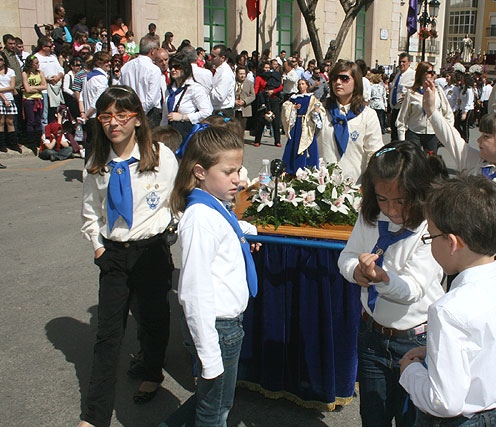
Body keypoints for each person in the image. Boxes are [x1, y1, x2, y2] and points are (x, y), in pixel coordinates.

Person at [79, 86, 178, 427]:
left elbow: (177, 199)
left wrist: (171, 230)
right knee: (108, 336)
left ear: (137, 119)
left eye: (122, 115)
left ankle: (152, 371)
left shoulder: (161, 156)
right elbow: (90, 213)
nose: (113, 123)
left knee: (153, 319)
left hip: (150, 251)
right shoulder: (96, 162)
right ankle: (94, 416)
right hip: (114, 255)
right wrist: (99, 248)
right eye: (106, 116)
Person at [399, 175, 496, 426]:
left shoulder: (447, 311)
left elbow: (444, 402)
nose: (429, 245)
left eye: (430, 238)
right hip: (492, 415)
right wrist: (432, 355)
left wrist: (410, 372)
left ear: (451, 243)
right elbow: (487, 354)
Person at [338, 141, 448, 427]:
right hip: (373, 337)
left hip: (416, 340)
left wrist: (382, 279)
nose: (391, 209)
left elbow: (413, 289)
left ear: (418, 191)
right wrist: (355, 272)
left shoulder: (430, 227)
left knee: (414, 419)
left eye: (400, 200)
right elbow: (347, 256)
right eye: (382, 199)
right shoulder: (372, 217)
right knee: (373, 417)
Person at [165, 126, 258, 426]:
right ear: (200, 171)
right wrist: (209, 353)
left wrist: (247, 232)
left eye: (239, 169)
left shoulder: (214, 205)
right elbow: (193, 292)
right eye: (229, 171)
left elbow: (228, 229)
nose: (238, 179)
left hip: (225, 326)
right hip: (216, 329)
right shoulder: (200, 218)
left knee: (211, 398)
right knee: (215, 410)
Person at [422, 77, 496, 281]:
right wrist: (432, 110)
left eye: (486, 137)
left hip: (493, 263)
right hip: (461, 255)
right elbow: (451, 138)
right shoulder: (475, 160)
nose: (479, 140)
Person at [317, 60, 384, 182]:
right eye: (334, 78)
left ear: (356, 82)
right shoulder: (321, 112)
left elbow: (374, 154)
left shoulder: (367, 115)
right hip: (323, 186)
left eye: (344, 78)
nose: (338, 82)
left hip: (355, 188)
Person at [396, 61, 453, 153]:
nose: (432, 75)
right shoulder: (411, 93)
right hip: (414, 132)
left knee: (430, 163)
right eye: (430, 72)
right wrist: (402, 139)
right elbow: (402, 118)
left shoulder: (438, 91)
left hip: (433, 133)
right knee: (415, 162)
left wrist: (445, 133)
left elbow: (448, 113)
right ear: (421, 74)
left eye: (433, 73)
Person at [162, 53, 212, 139]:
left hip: (186, 134)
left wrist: (183, 117)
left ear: (185, 68)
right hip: (170, 134)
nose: (173, 70)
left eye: (177, 66)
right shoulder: (170, 89)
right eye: (171, 67)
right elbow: (165, 116)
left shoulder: (194, 88)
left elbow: (207, 112)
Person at [120, 35, 163, 128]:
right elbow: (151, 98)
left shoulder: (126, 67)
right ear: (152, 50)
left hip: (130, 111)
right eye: (157, 49)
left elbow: (121, 90)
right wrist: (140, 112)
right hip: (149, 113)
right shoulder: (154, 69)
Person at [281, 78, 322, 173]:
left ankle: (308, 168)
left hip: (307, 124)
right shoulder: (294, 97)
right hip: (297, 124)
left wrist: (316, 111)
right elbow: (285, 106)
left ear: (307, 85)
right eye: (299, 84)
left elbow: (318, 108)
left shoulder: (311, 98)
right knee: (293, 144)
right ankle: (291, 168)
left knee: (308, 147)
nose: (301, 86)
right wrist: (293, 108)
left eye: (303, 84)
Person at [81, 51, 112, 160]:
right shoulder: (101, 78)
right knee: (99, 146)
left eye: (109, 61)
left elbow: (81, 97)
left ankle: (88, 170)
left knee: (90, 145)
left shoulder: (87, 76)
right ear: (98, 63)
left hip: (89, 117)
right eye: (105, 62)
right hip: (96, 116)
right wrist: (87, 114)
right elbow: (97, 102)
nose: (108, 64)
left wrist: (84, 113)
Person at [34, 37, 64, 130]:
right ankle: (45, 135)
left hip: (55, 88)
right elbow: (36, 73)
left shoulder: (53, 57)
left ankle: (53, 133)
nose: (53, 47)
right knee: (44, 114)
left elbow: (60, 69)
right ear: (43, 47)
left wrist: (58, 77)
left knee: (54, 112)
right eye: (50, 46)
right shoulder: (36, 57)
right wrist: (47, 79)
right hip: (44, 89)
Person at [253, 61, 283, 147]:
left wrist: (273, 91)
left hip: (274, 99)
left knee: (276, 121)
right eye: (265, 67)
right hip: (264, 100)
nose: (267, 69)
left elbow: (280, 86)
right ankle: (257, 140)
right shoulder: (259, 78)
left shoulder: (274, 76)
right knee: (261, 120)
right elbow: (256, 89)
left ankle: (277, 140)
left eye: (268, 68)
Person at [22, 55, 47, 154]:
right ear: (30, 64)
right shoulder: (25, 73)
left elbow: (44, 86)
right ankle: (31, 142)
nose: (38, 65)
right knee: (31, 120)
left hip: (39, 98)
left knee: (38, 120)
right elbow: (26, 89)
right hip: (29, 99)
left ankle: (38, 141)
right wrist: (37, 88)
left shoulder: (40, 73)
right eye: (36, 63)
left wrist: (32, 88)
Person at [389, 53, 415, 140]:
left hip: (404, 109)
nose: (401, 64)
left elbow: (418, 90)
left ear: (409, 63)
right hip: (395, 109)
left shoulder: (413, 75)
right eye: (400, 61)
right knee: (394, 136)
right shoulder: (398, 75)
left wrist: (409, 95)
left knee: (402, 135)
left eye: (404, 62)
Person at [210, 44, 236, 117]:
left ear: (222, 58)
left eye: (214, 56)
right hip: (216, 110)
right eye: (210, 55)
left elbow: (219, 97)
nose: (210, 58)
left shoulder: (225, 73)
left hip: (223, 111)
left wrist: (207, 89)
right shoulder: (217, 70)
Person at [0, 52, 18, 153]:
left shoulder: (10, 71)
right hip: (1, 99)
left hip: (10, 98)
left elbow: (12, 86)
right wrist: (3, 98)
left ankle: (13, 144)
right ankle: (2, 145)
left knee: (10, 122)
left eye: (1, 59)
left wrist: (1, 89)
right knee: (1, 122)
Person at [234, 65, 255, 132]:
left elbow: (253, 96)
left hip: (244, 109)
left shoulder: (249, 83)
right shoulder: (232, 82)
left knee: (241, 129)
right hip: (234, 108)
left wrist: (244, 101)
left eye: (244, 74)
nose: (242, 76)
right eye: (240, 74)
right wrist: (234, 101)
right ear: (237, 74)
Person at [454, 74, 474, 143]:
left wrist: (465, 113)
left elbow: (469, 102)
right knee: (457, 124)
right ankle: (462, 137)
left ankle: (466, 140)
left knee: (465, 126)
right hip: (462, 108)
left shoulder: (469, 90)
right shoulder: (463, 88)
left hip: (468, 110)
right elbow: (460, 100)